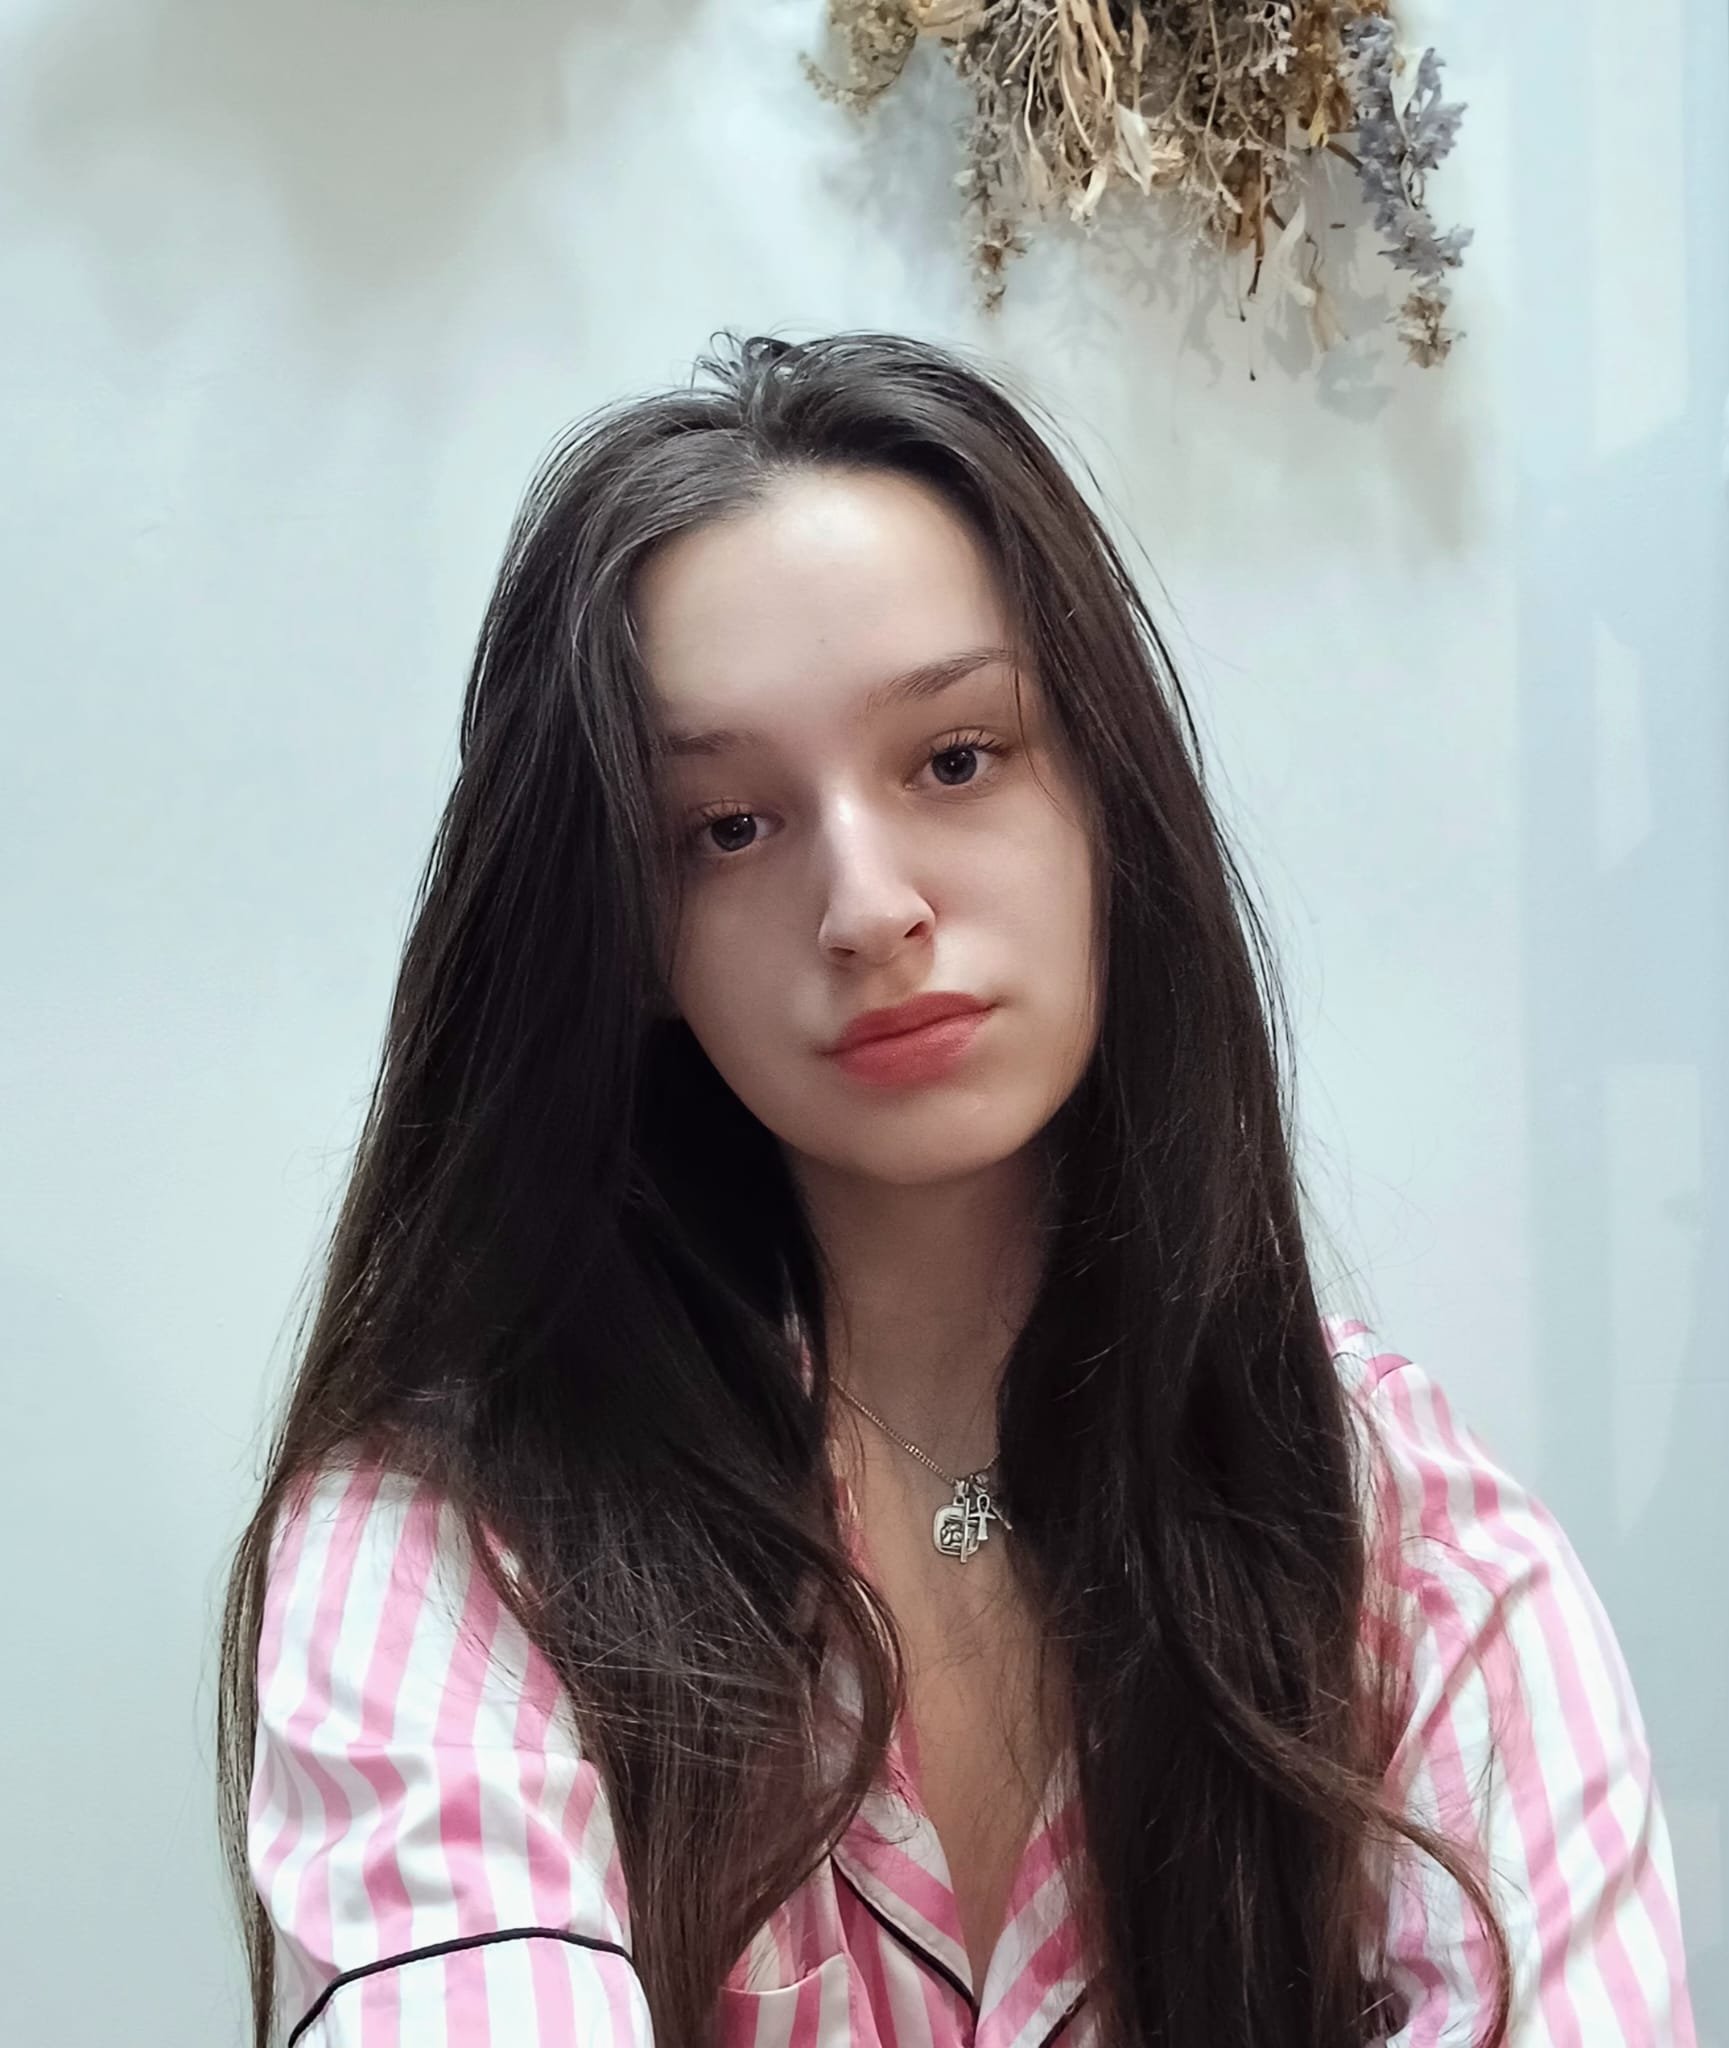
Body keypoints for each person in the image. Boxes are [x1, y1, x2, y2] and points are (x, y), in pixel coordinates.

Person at [217, 332, 1697, 2048]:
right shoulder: (452, 1548)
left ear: (1109, 804)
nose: (867, 907)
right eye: (725, 827)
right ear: (625, 934)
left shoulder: (1402, 1538)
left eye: (955, 759)